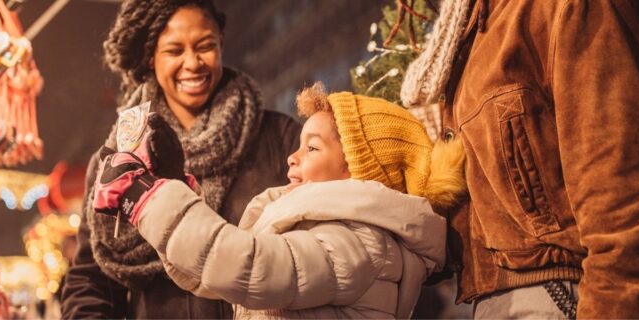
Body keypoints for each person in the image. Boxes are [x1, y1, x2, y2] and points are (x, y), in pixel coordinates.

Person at [399, 0, 639, 318]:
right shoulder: (474, 30)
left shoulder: (564, 8)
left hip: (563, 296)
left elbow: (631, 203)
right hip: (496, 302)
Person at [90, 83, 465, 318]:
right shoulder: (328, 228)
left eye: (312, 147)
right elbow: (215, 274)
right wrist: (168, 188)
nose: (292, 156)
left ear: (358, 170)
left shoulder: (359, 241)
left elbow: (251, 267)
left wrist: (146, 197)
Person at [60, 0, 300, 318]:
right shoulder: (118, 159)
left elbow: (312, 251)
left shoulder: (281, 139)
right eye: (174, 51)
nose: (193, 63)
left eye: (204, 46)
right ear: (150, 57)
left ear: (221, 44)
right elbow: (91, 282)